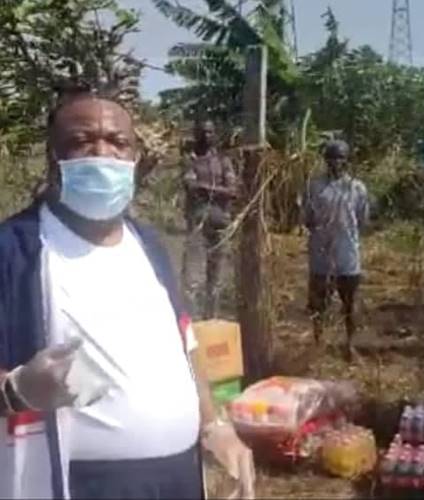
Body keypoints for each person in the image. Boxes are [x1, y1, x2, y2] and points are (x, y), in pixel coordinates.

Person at [0, 87, 254, 500]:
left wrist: (215, 426)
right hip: (78, 483)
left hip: (179, 478)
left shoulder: (148, 244)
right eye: (82, 142)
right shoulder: (14, 252)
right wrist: (17, 391)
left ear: (135, 158)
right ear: (54, 159)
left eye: (118, 142)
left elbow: (184, 344)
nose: (103, 154)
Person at [303, 140, 370, 359]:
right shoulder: (314, 187)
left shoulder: (357, 188)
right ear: (325, 160)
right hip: (321, 254)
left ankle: (350, 344)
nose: (336, 162)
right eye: (331, 157)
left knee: (350, 303)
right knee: (318, 304)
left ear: (347, 160)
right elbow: (308, 218)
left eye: (340, 157)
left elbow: (362, 220)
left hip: (348, 254)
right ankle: (318, 344)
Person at [182, 120, 238, 319]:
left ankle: (211, 320)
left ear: (215, 134)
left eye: (210, 132)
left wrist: (205, 188)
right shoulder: (190, 159)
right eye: (202, 132)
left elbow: (233, 191)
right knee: (192, 280)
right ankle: (193, 324)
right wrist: (216, 191)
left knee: (216, 279)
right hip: (197, 225)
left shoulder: (224, 161)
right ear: (196, 134)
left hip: (220, 224)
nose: (206, 136)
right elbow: (191, 187)